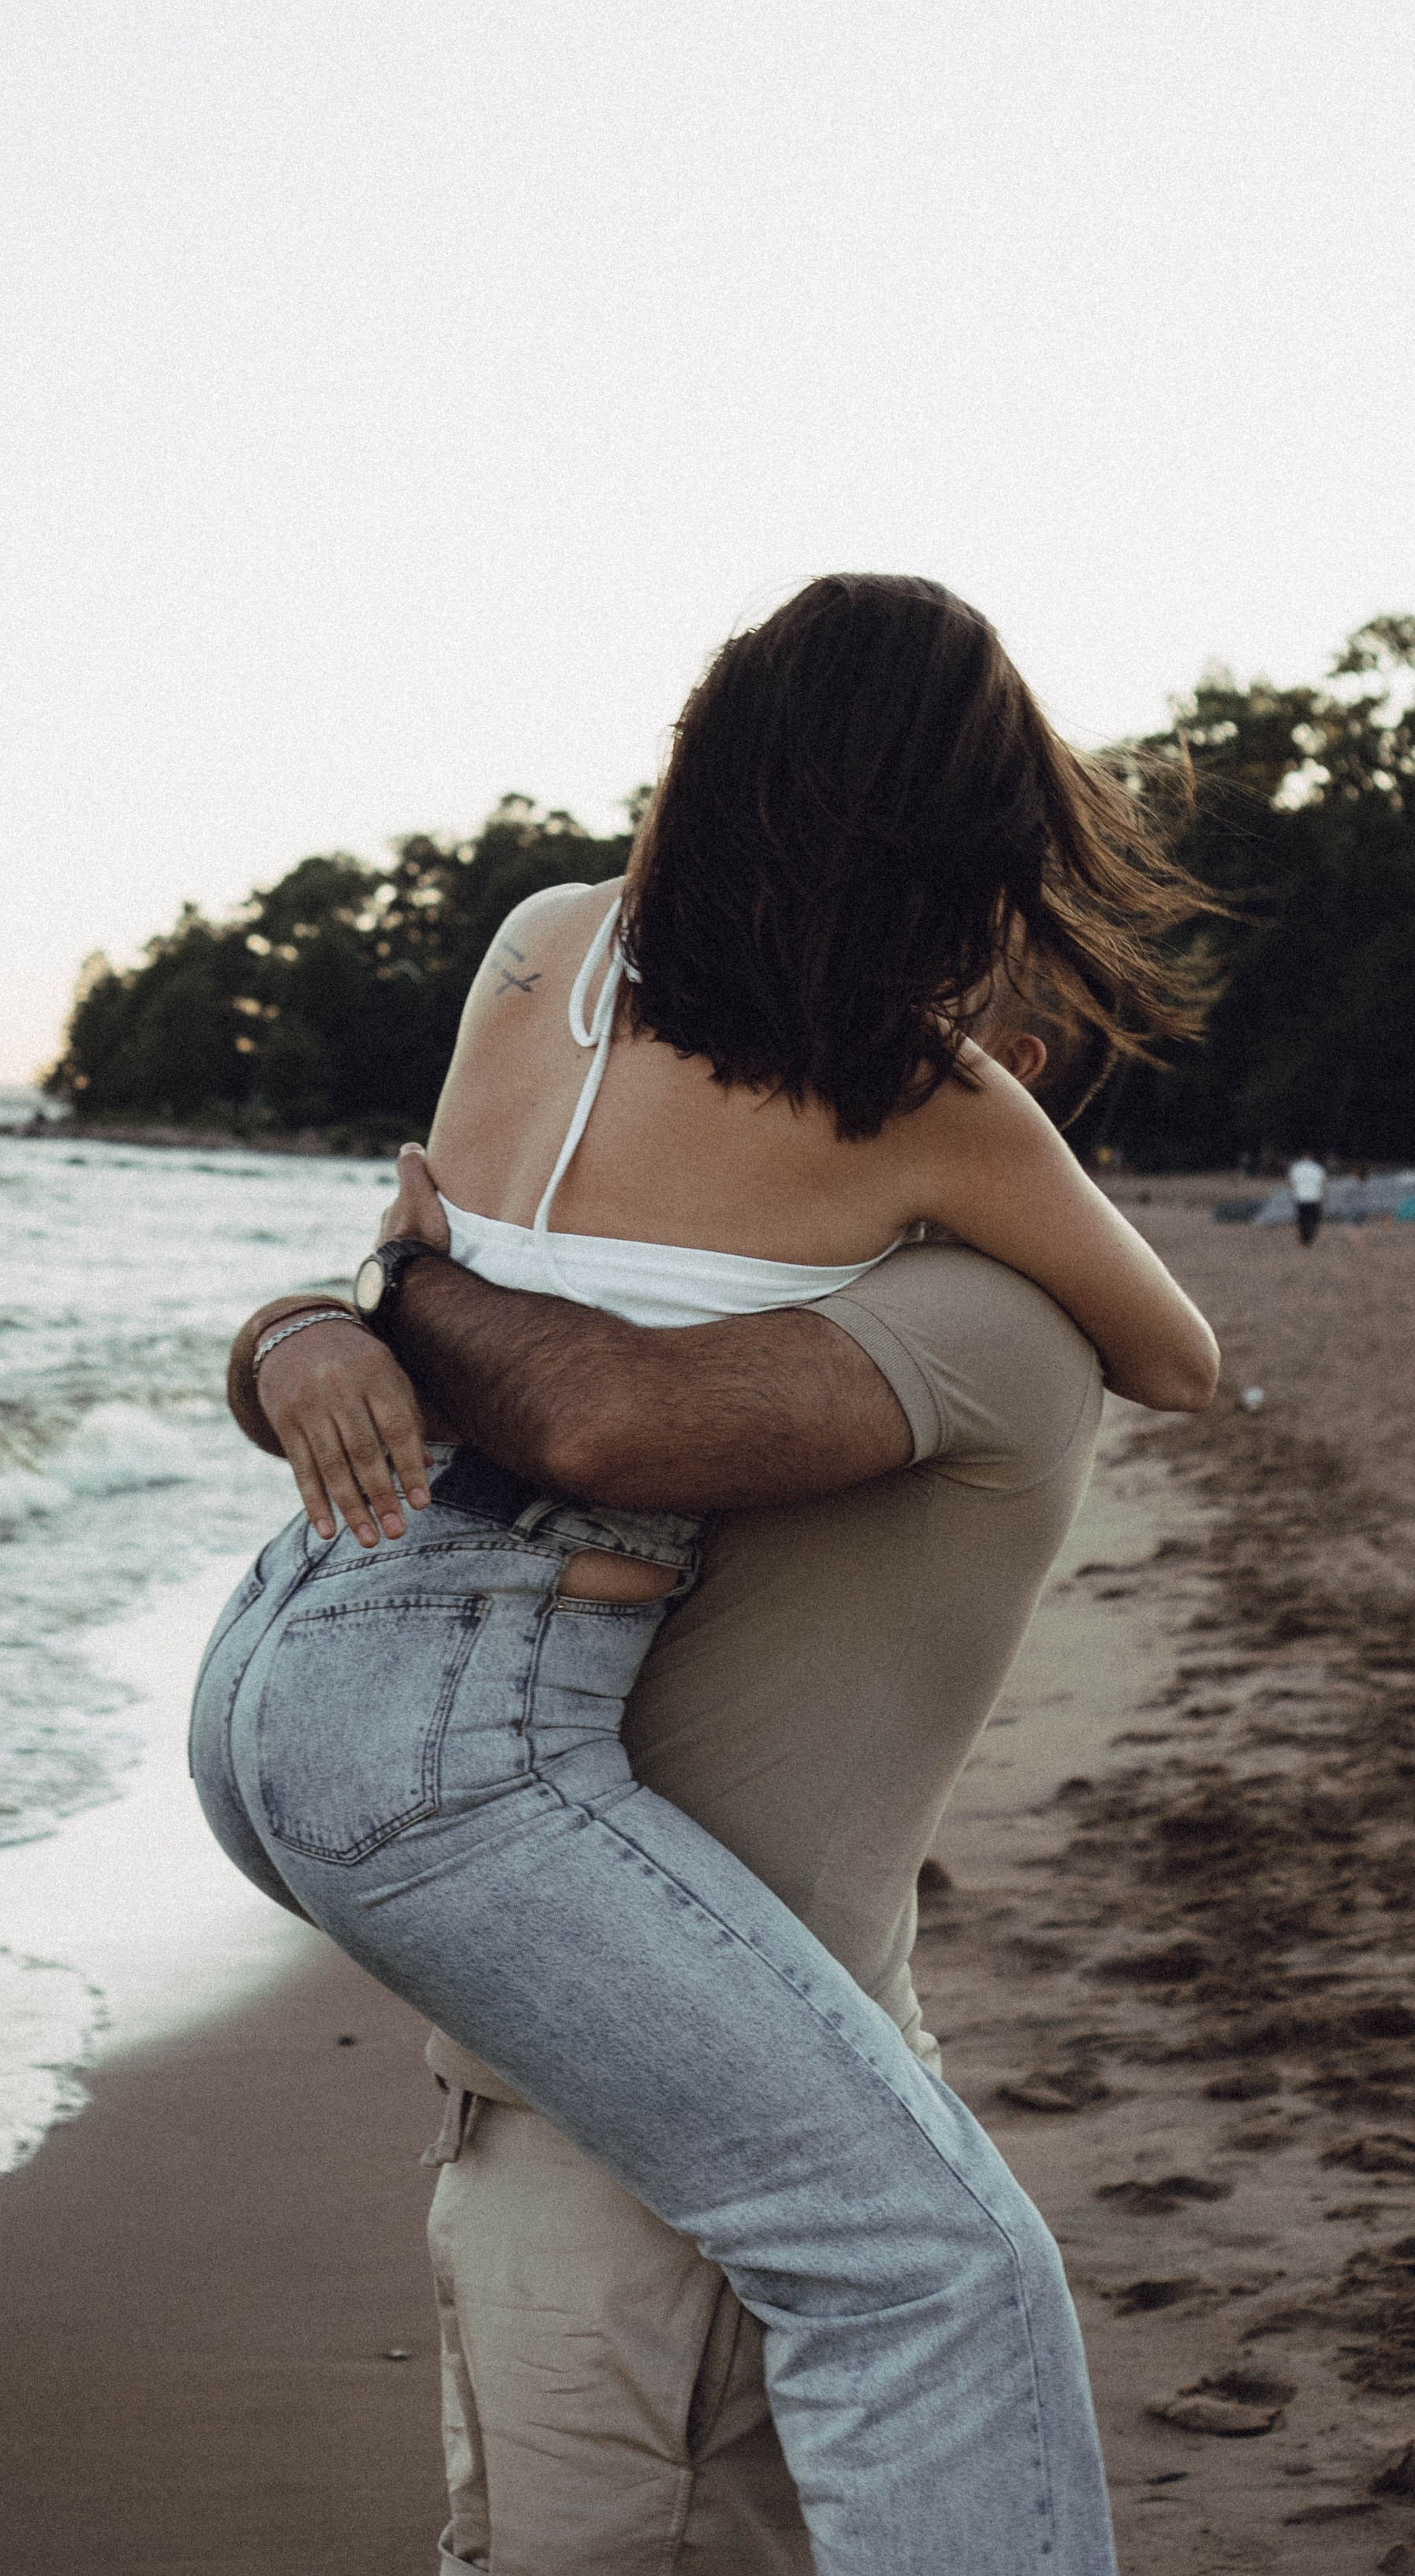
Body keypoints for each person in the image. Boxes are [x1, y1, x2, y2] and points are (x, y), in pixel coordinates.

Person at [189, 575, 1219, 2575]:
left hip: (301, 1640)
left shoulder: (537, 949)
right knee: (938, 2277)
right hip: (466, 1736)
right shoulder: (925, 1119)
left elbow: (454, 1279)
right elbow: (1170, 1351)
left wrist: (358, 1293)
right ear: (952, 853)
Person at [227, 986, 1108, 2575]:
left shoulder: (968, 1324)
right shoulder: (788, 1295)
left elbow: (581, 1410)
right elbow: (432, 1411)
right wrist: (304, 1330)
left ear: (1002, 1075)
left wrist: (395, 1278)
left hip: (666, 2165)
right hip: (702, 2076)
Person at [1287, 1151, 1327, 1246]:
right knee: (1314, 1218)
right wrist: (1324, 1195)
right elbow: (1323, 1182)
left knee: (1302, 1218)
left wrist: (1293, 1193)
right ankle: (1310, 1236)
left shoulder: (1296, 1168)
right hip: (1314, 1197)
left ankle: (1304, 1237)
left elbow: (1292, 1182)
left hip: (1301, 1197)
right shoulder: (1318, 1168)